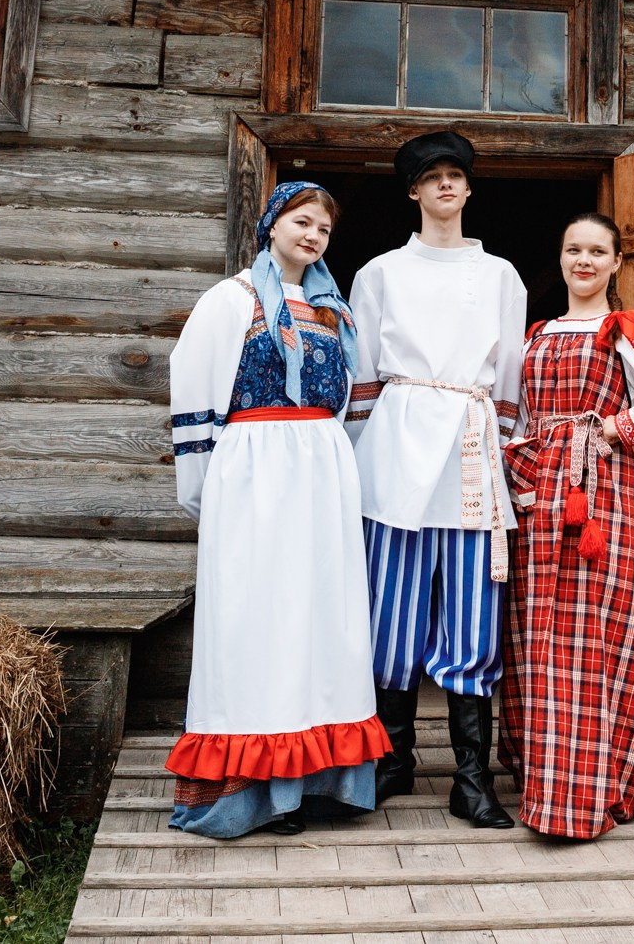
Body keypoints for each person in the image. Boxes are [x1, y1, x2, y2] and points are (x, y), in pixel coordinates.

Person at [163, 181, 389, 838]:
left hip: (319, 469)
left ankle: (316, 783)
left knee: (321, 619)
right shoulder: (230, 300)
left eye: (324, 226)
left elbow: (348, 402)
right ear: (271, 224)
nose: (313, 234)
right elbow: (195, 387)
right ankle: (254, 789)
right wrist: (210, 490)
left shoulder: (333, 310)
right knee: (257, 624)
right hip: (254, 470)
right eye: (301, 219)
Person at [501, 209, 634, 839]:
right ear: (562, 258)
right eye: (574, 250)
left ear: (617, 262)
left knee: (601, 631)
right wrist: (518, 465)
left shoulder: (629, 327)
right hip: (542, 497)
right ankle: (549, 777)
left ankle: (601, 779)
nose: (584, 261)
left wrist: (622, 428)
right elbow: (518, 416)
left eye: (598, 251)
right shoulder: (535, 335)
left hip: (604, 494)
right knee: (540, 633)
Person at [344, 130, 526, 830]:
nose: (446, 185)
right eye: (433, 176)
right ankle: (393, 758)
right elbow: (362, 373)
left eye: (456, 175)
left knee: (474, 618)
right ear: (414, 191)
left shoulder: (502, 274)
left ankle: (471, 778)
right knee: (390, 614)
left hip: (473, 450)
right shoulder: (381, 272)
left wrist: (509, 456)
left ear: (469, 189)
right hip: (397, 444)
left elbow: (508, 374)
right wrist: (361, 463)